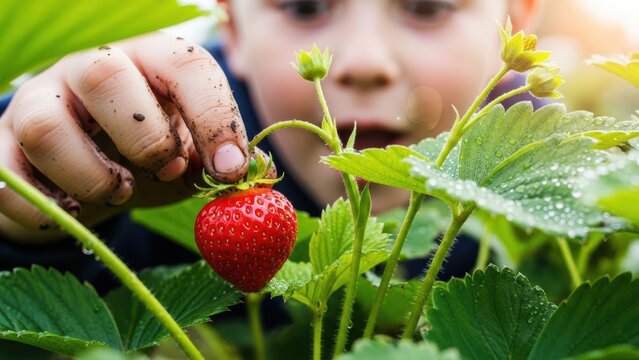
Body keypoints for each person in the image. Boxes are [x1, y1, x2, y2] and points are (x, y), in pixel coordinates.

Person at [0, 0, 542, 291]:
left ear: (513, 25)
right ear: (231, 31)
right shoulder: (173, 135)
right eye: (305, 7)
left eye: (427, 6)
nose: (364, 62)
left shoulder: (540, 155)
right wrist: (34, 219)